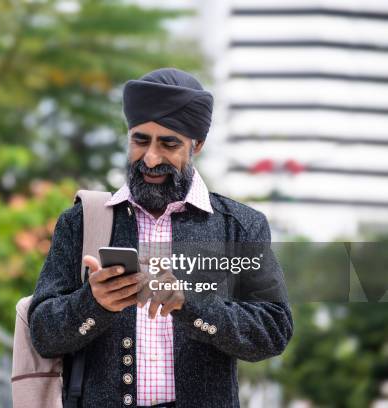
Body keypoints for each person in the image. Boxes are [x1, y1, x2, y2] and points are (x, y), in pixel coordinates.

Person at [28, 68, 293, 408]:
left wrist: (189, 302)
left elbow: (273, 331)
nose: (151, 158)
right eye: (140, 140)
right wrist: (93, 302)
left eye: (168, 143)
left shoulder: (239, 226)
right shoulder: (81, 221)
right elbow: (43, 334)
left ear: (197, 144)